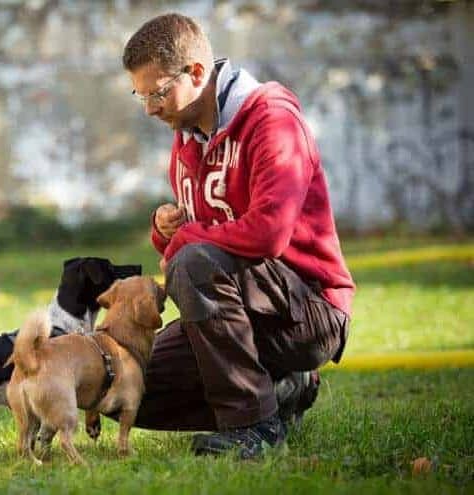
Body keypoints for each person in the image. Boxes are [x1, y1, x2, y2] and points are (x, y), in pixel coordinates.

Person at [120, 13, 355, 459]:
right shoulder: (187, 138)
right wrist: (165, 230)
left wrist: (187, 242)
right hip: (243, 308)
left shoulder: (271, 119)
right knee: (124, 382)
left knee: (195, 261)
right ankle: (284, 387)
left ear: (195, 72)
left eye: (157, 92)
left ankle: (253, 426)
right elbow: (205, 239)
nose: (150, 108)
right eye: (141, 95)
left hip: (309, 310)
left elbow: (268, 233)